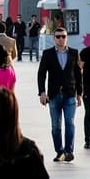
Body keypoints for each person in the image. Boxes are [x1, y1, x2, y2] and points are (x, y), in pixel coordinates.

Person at [36, 25, 82, 162]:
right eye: (58, 37)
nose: (61, 39)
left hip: (70, 94)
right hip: (54, 94)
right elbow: (41, 75)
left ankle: (68, 151)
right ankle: (59, 151)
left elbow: (78, 75)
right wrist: (42, 93)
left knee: (70, 123)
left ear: (67, 38)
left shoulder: (74, 53)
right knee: (56, 126)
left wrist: (79, 94)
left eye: (63, 37)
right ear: (53, 38)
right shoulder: (48, 53)